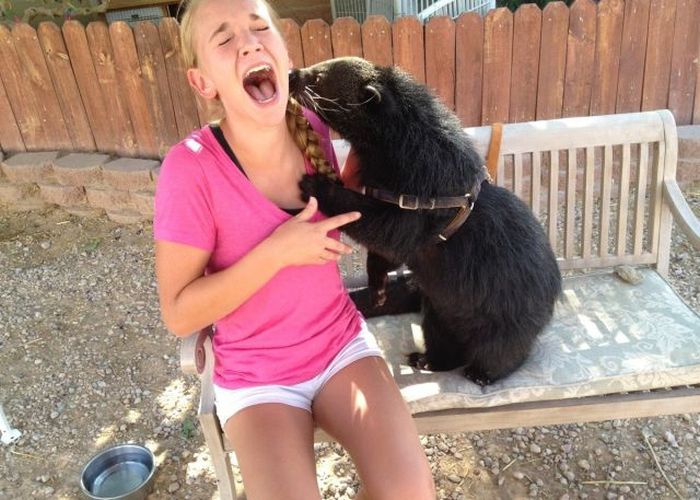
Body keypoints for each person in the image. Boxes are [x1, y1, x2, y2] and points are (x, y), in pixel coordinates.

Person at [153, 0, 436, 498]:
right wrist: (275, 253)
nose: (248, 43)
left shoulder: (313, 128)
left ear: (284, 56)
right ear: (203, 82)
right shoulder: (190, 168)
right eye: (224, 39)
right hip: (258, 377)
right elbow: (179, 314)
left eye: (259, 28)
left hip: (340, 346)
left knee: (410, 493)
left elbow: (353, 203)